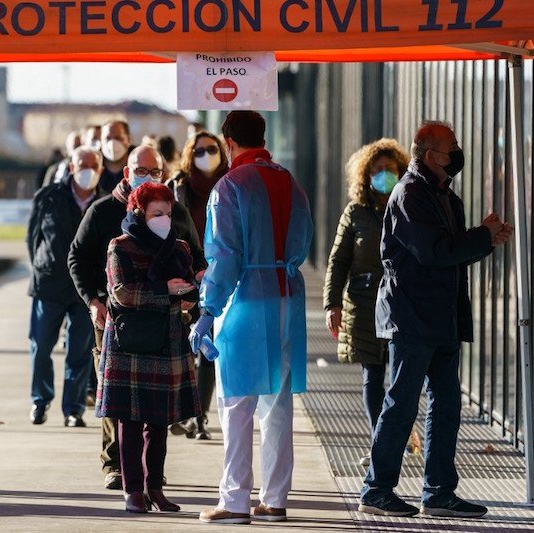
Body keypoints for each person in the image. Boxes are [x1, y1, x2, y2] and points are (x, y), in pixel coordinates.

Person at [358, 121, 513, 518]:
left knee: (446, 404)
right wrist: (481, 236)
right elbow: (433, 251)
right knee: (402, 402)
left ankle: (439, 491)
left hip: (441, 316)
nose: (458, 152)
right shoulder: (410, 194)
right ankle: (377, 488)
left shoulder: (444, 195)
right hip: (413, 316)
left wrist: (486, 238)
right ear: (431, 155)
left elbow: (452, 252)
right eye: (452, 147)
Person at [190, 111, 313, 525]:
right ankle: (275, 499)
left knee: (236, 402)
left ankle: (235, 500)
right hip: (286, 296)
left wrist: (207, 309)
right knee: (277, 403)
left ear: (228, 142)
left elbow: (224, 256)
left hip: (245, 300)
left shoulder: (229, 187)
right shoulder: (290, 183)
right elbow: (303, 239)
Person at [68, 145, 206, 491]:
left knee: (156, 403)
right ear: (127, 172)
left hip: (165, 320)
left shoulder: (174, 212)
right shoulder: (103, 212)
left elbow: (196, 259)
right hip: (116, 318)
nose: (148, 176)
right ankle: (116, 465)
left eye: (155, 171)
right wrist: (92, 300)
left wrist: (192, 296)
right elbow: (77, 258)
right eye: (140, 170)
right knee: (118, 399)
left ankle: (150, 473)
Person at [97, 182, 202, 513]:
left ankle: (155, 487)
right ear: (139, 212)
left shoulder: (180, 247)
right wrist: (165, 290)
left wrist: (191, 290)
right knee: (129, 422)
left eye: (168, 213)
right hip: (131, 343)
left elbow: (188, 289)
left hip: (167, 340)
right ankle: (133, 491)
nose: (164, 219)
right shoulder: (120, 246)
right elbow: (121, 293)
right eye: (157, 213)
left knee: (159, 423)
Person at [324, 138, 415, 467]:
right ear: (366, 175)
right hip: (363, 304)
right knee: (372, 375)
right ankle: (381, 444)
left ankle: (398, 437)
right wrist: (332, 304)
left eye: (390, 169)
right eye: (378, 170)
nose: (384, 175)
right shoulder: (355, 212)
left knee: (403, 376)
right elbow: (338, 261)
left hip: (403, 303)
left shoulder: (410, 207)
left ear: (401, 172)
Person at [26, 146, 103, 428]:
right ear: (71, 167)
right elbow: (32, 238)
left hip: (85, 289)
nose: (87, 171)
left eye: (93, 166)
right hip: (49, 284)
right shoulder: (48, 197)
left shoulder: (104, 203)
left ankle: (73, 409)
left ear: (100, 170)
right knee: (41, 346)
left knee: (79, 352)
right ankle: (40, 400)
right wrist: (40, 267)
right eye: (82, 165)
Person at [166, 130, 228, 440]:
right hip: (185, 274)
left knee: (208, 347)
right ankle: (183, 411)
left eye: (212, 149)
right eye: (200, 150)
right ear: (190, 154)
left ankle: (199, 416)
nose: (206, 155)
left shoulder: (230, 184)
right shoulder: (178, 188)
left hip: (219, 275)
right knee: (184, 348)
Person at [99, 120, 134, 193]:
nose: (112, 143)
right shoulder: (92, 165)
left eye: (118, 138)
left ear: (128, 140)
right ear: (101, 141)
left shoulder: (140, 165)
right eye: (107, 138)